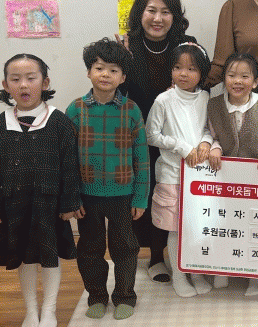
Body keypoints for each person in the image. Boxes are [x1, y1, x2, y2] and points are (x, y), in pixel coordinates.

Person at [0, 54, 81, 327]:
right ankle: (31, 310)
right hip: (15, 205)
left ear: (44, 83)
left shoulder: (59, 122)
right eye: (15, 79)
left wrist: (70, 203)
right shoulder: (0, 124)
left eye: (30, 78)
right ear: (6, 85)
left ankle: (49, 310)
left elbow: (70, 166)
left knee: (49, 256)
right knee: (24, 258)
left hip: (50, 206)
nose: (23, 85)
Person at [65, 38, 149, 320]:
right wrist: (72, 197)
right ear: (89, 72)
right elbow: (67, 160)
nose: (105, 75)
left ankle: (125, 296)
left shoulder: (131, 110)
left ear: (123, 77)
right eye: (99, 68)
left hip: (123, 195)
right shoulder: (75, 110)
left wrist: (140, 197)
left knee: (125, 248)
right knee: (90, 248)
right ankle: (97, 296)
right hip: (86, 196)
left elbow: (141, 158)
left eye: (113, 70)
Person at [119, 0, 197, 284]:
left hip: (179, 135)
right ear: (140, 13)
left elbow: (199, 80)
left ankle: (186, 255)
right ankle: (154, 257)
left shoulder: (187, 45)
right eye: (151, 10)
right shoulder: (127, 47)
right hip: (140, 135)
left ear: (174, 16)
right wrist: (120, 58)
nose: (158, 18)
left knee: (176, 195)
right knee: (149, 193)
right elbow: (118, 90)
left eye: (166, 12)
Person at [145, 42, 213, 298]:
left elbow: (209, 129)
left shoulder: (205, 98)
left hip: (200, 176)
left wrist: (205, 143)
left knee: (196, 226)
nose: (183, 74)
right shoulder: (164, 100)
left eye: (191, 69)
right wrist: (182, 147)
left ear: (202, 73)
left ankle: (195, 271)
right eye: (177, 67)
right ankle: (179, 276)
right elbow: (151, 135)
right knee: (175, 228)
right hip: (172, 175)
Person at [207, 53, 258, 296]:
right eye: (231, 75)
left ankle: (254, 276)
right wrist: (214, 147)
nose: (237, 81)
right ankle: (222, 268)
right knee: (223, 224)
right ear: (224, 79)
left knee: (252, 226)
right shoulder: (214, 105)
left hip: (254, 178)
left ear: (255, 82)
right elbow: (212, 135)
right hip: (223, 179)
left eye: (244, 76)